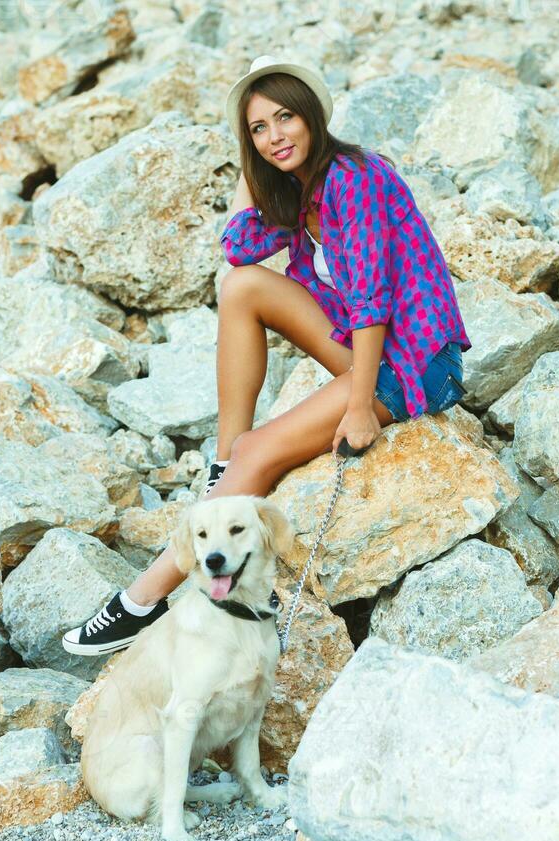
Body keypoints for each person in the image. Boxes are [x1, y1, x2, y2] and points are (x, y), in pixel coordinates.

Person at [62, 53, 472, 656]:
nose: (276, 135)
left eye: (285, 118)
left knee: (264, 450)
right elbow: (238, 248)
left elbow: (372, 300)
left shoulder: (353, 178)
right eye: (259, 128)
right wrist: (252, 168)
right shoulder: (302, 188)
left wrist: (360, 407)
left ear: (311, 116)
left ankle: (138, 603)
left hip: (415, 364)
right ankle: (227, 466)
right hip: (377, 349)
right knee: (243, 287)